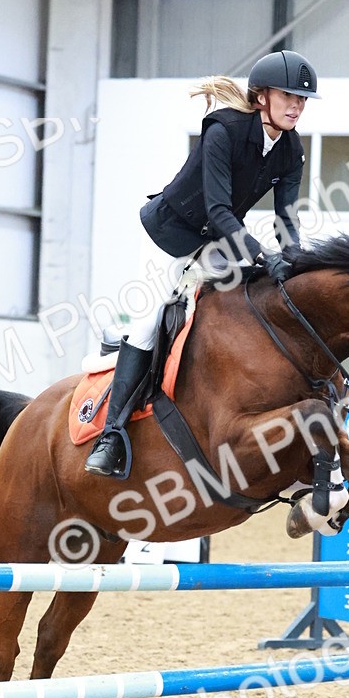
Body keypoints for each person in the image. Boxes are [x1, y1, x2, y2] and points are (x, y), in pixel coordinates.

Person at [85, 48, 320, 478]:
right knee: (147, 322)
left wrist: (293, 262)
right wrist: (261, 253)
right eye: (288, 96)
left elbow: (287, 218)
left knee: (248, 301)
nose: (297, 106)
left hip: (216, 241)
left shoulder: (291, 149)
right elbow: (217, 209)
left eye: (302, 100)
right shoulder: (224, 131)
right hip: (170, 233)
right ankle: (111, 434)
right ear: (261, 97)